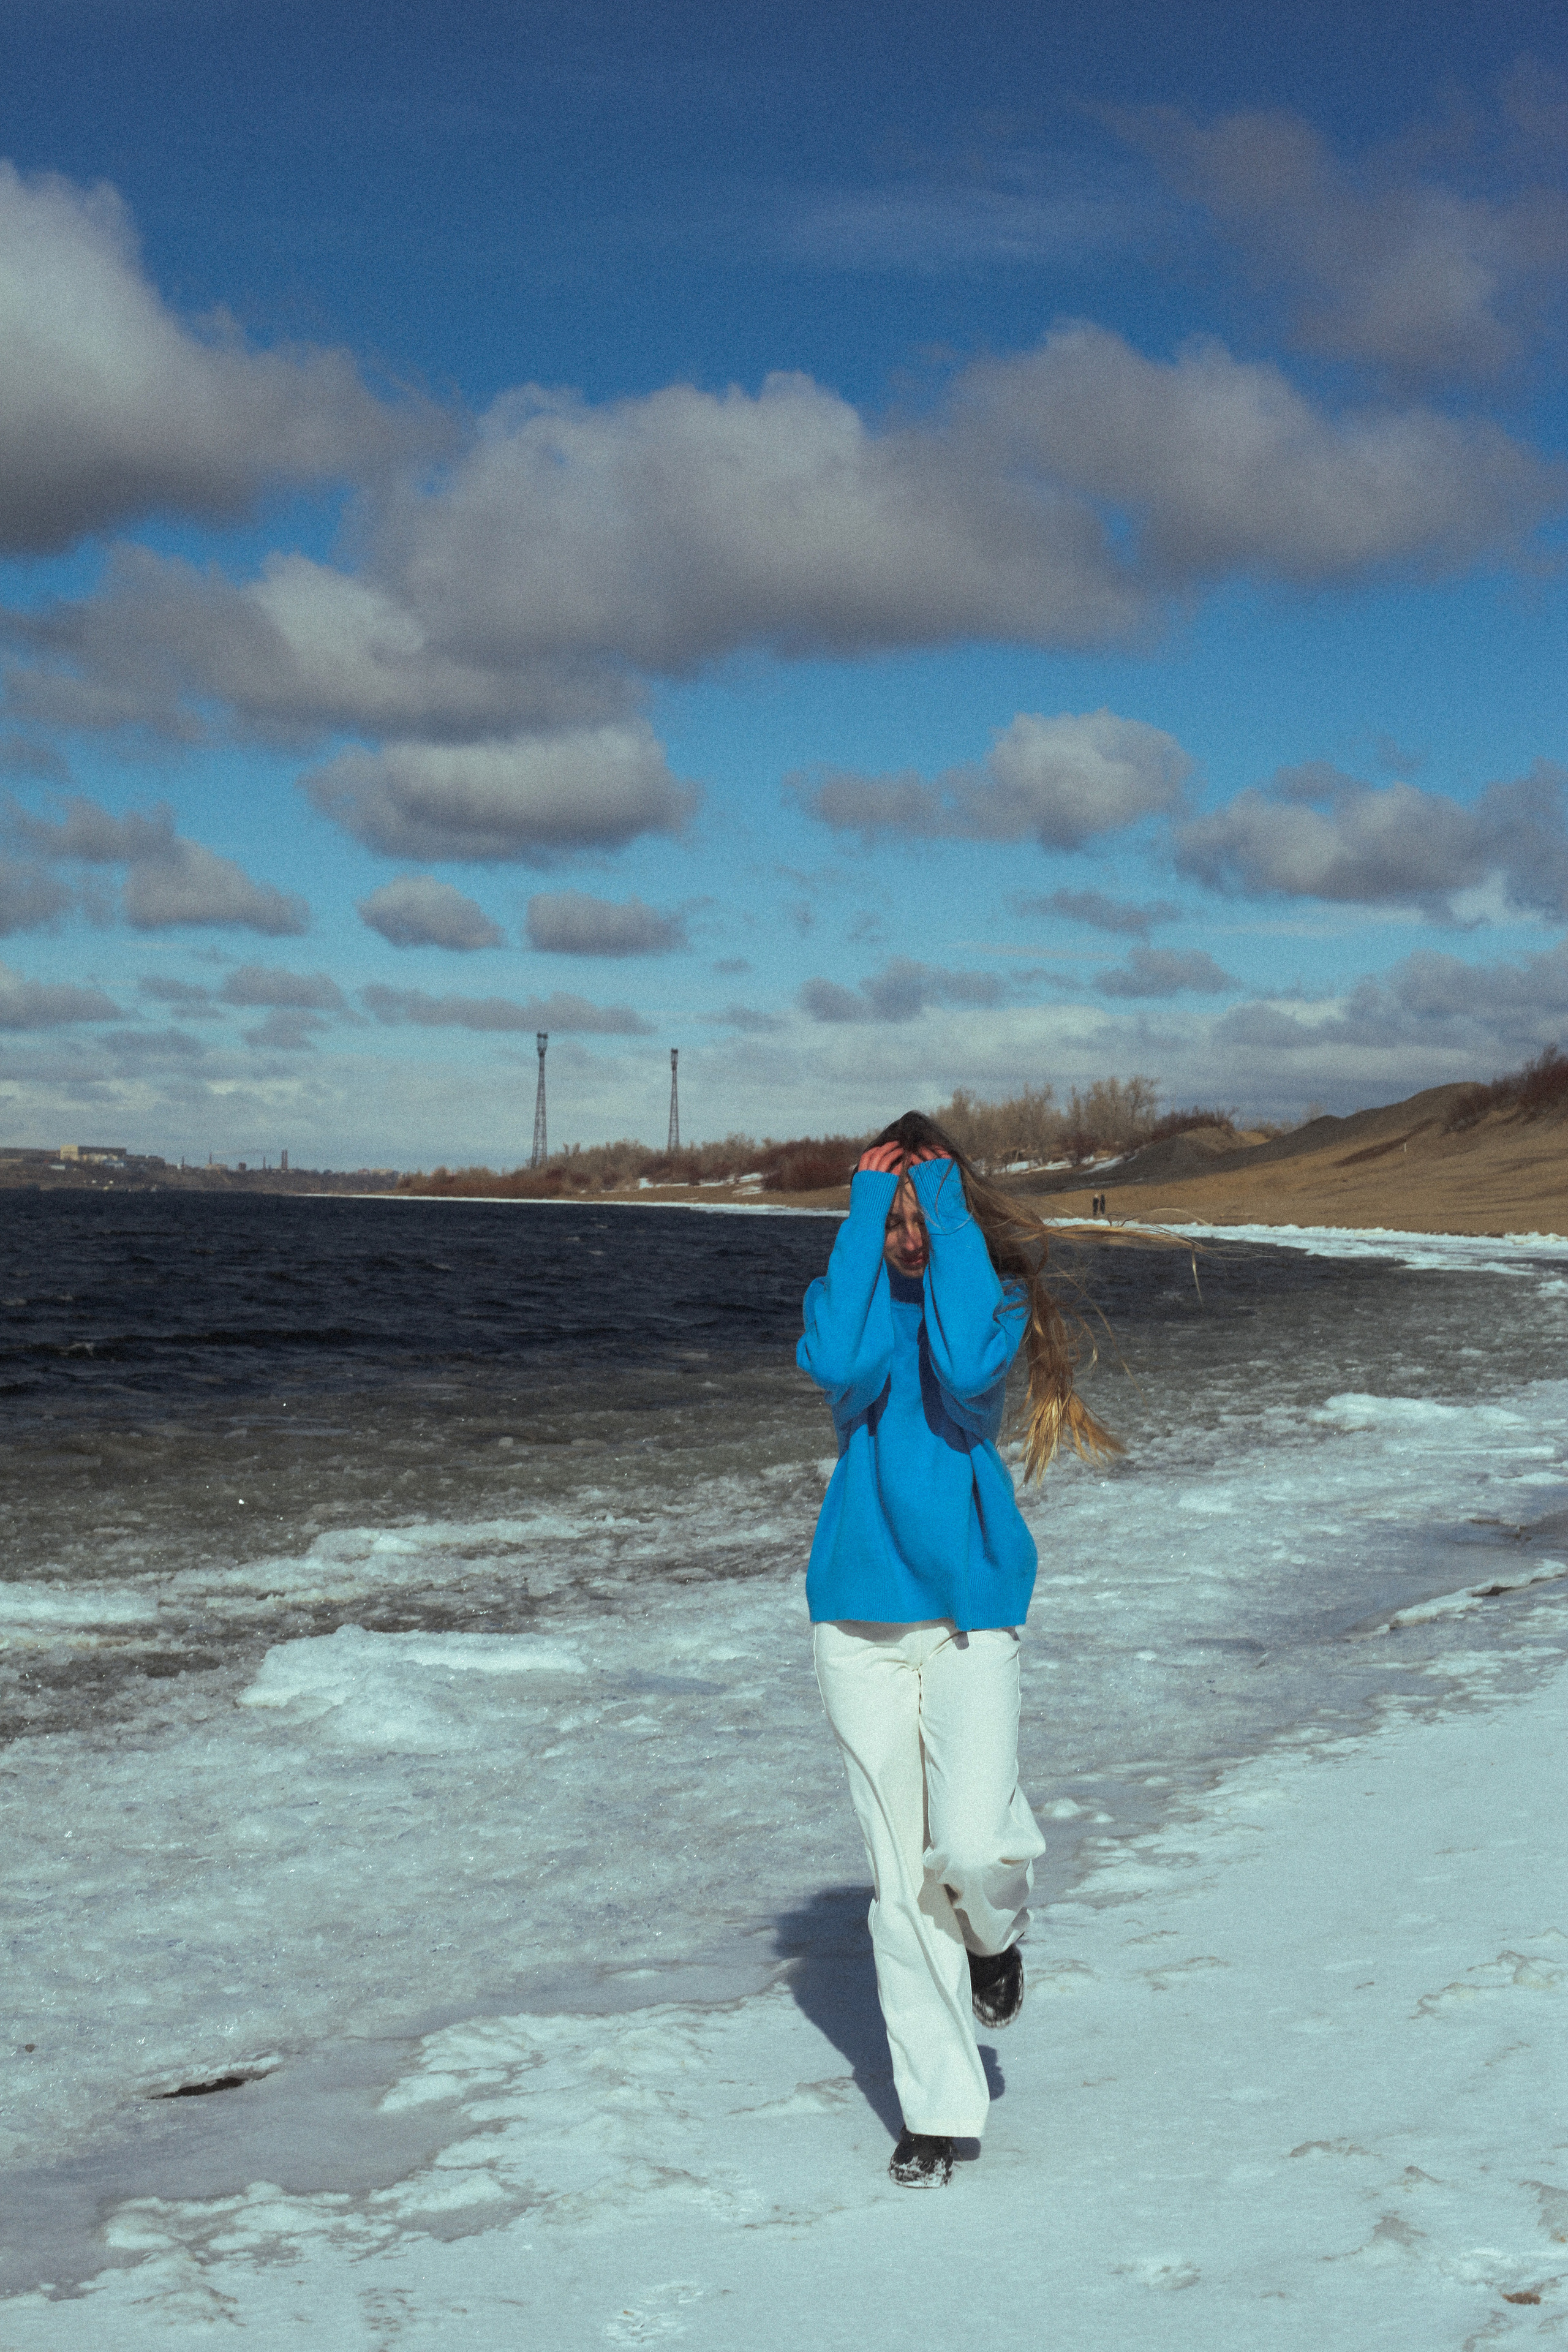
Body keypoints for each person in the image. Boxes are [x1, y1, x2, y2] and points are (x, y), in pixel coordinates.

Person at [798, 1109, 1120, 2188]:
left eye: (918, 1215)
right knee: (901, 1883)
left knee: (973, 1853)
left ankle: (995, 1941)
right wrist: (862, 1219)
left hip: (971, 1609)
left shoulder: (990, 1302)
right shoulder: (841, 1296)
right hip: (858, 1622)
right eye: (887, 1218)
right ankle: (937, 2111)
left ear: (950, 1209)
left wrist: (942, 1215)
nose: (904, 1236)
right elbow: (843, 1367)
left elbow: (967, 1366)